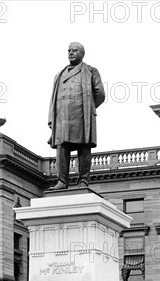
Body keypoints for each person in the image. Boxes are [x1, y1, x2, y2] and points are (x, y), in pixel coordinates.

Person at [48, 42, 105, 190]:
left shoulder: (91, 71)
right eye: (69, 51)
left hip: (82, 115)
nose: (71, 53)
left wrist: (87, 107)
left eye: (75, 50)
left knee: (83, 147)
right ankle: (62, 181)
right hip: (62, 117)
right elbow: (53, 99)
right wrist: (52, 120)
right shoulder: (59, 74)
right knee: (62, 147)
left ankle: (83, 180)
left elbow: (100, 93)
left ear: (82, 54)